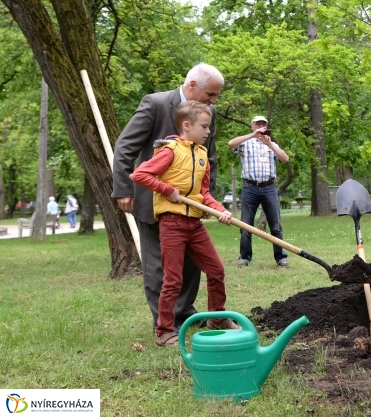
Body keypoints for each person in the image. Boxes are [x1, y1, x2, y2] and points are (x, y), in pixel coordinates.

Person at [112, 63, 224, 331]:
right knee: (158, 267)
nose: (213, 100)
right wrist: (124, 190)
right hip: (155, 202)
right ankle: (164, 323)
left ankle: (184, 314)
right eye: (210, 94)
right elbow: (125, 147)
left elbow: (210, 158)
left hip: (191, 204)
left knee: (191, 265)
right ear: (193, 85)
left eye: (216, 96)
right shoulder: (156, 104)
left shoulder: (209, 113)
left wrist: (206, 197)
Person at [131, 100, 239, 346]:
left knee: (216, 270)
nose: (208, 131)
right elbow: (139, 174)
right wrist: (167, 190)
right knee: (173, 280)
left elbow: (204, 193)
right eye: (204, 126)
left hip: (194, 224)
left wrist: (220, 210)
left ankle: (217, 319)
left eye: (209, 126)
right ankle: (164, 331)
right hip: (172, 223)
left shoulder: (202, 155)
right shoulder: (169, 150)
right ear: (187, 125)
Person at [228, 115, 290, 268]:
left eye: (264, 124)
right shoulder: (246, 143)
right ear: (252, 126)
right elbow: (231, 143)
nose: (261, 126)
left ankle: (281, 257)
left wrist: (270, 145)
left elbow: (285, 159)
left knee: (276, 225)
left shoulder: (272, 144)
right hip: (250, 187)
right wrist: (253, 135)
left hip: (269, 188)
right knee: (245, 224)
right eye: (258, 124)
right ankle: (244, 257)